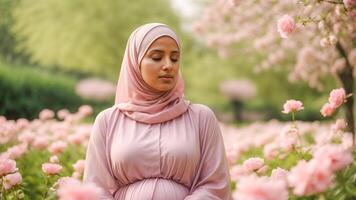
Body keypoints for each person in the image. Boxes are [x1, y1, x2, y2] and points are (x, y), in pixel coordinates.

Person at [83, 23, 231, 200]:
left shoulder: (201, 117)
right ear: (135, 62)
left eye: (175, 58)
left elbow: (215, 184)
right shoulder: (108, 120)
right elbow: (95, 188)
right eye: (156, 57)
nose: (168, 65)